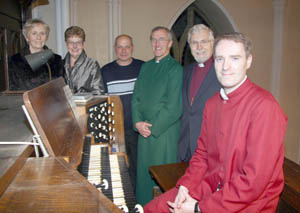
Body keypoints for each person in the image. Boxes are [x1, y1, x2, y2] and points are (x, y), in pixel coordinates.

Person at [144, 32, 287, 212]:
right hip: (210, 188)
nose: (225, 66)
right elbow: (202, 154)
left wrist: (198, 208)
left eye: (234, 58)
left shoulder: (265, 107)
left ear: (248, 61)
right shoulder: (212, 104)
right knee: (152, 208)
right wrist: (185, 186)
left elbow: (253, 183)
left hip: (247, 204)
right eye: (219, 59)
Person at [131, 26, 183, 205]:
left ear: (169, 43)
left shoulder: (175, 69)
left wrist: (151, 128)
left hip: (163, 134)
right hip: (144, 132)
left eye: (161, 39)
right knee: (144, 178)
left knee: (161, 180)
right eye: (153, 39)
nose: (157, 43)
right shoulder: (145, 67)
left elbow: (173, 108)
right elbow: (136, 97)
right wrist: (138, 122)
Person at [101, 34, 144, 192]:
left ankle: (137, 200)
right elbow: (102, 101)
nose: (123, 50)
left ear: (132, 48)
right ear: (115, 49)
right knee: (118, 169)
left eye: (127, 46)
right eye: (120, 46)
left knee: (137, 169)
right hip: (116, 130)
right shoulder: (105, 71)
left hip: (138, 129)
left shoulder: (142, 67)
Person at [177, 24, 221, 162]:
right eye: (194, 43)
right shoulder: (186, 71)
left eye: (203, 42)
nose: (199, 47)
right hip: (184, 146)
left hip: (210, 148)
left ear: (212, 43)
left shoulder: (223, 71)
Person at [8, 19, 63, 91]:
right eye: (34, 33)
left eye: (42, 33)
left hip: (52, 102)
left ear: (46, 37)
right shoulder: (15, 60)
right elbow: (13, 89)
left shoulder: (56, 59)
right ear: (27, 37)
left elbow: (62, 88)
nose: (38, 37)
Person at [63, 26, 104, 94]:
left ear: (83, 44)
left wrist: (77, 95)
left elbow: (99, 93)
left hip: (86, 104)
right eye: (71, 42)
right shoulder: (59, 64)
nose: (75, 46)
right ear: (66, 44)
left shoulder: (92, 65)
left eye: (78, 42)